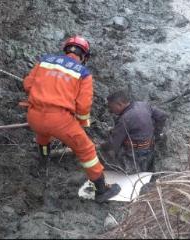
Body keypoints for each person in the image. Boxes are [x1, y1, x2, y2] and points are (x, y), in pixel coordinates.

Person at [23, 35, 121, 203]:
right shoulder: (83, 73)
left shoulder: (44, 61)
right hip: (59, 121)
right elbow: (83, 107)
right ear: (84, 56)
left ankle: (44, 158)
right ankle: (101, 189)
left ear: (66, 49)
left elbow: (28, 85)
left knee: (42, 135)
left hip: (33, 115)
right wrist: (82, 124)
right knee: (87, 149)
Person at [101, 90, 168, 174]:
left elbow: (113, 144)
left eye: (111, 107)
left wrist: (100, 146)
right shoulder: (143, 105)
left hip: (135, 155)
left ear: (119, 104)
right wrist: (156, 134)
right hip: (150, 147)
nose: (110, 110)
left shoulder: (125, 119)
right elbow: (162, 116)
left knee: (103, 161)